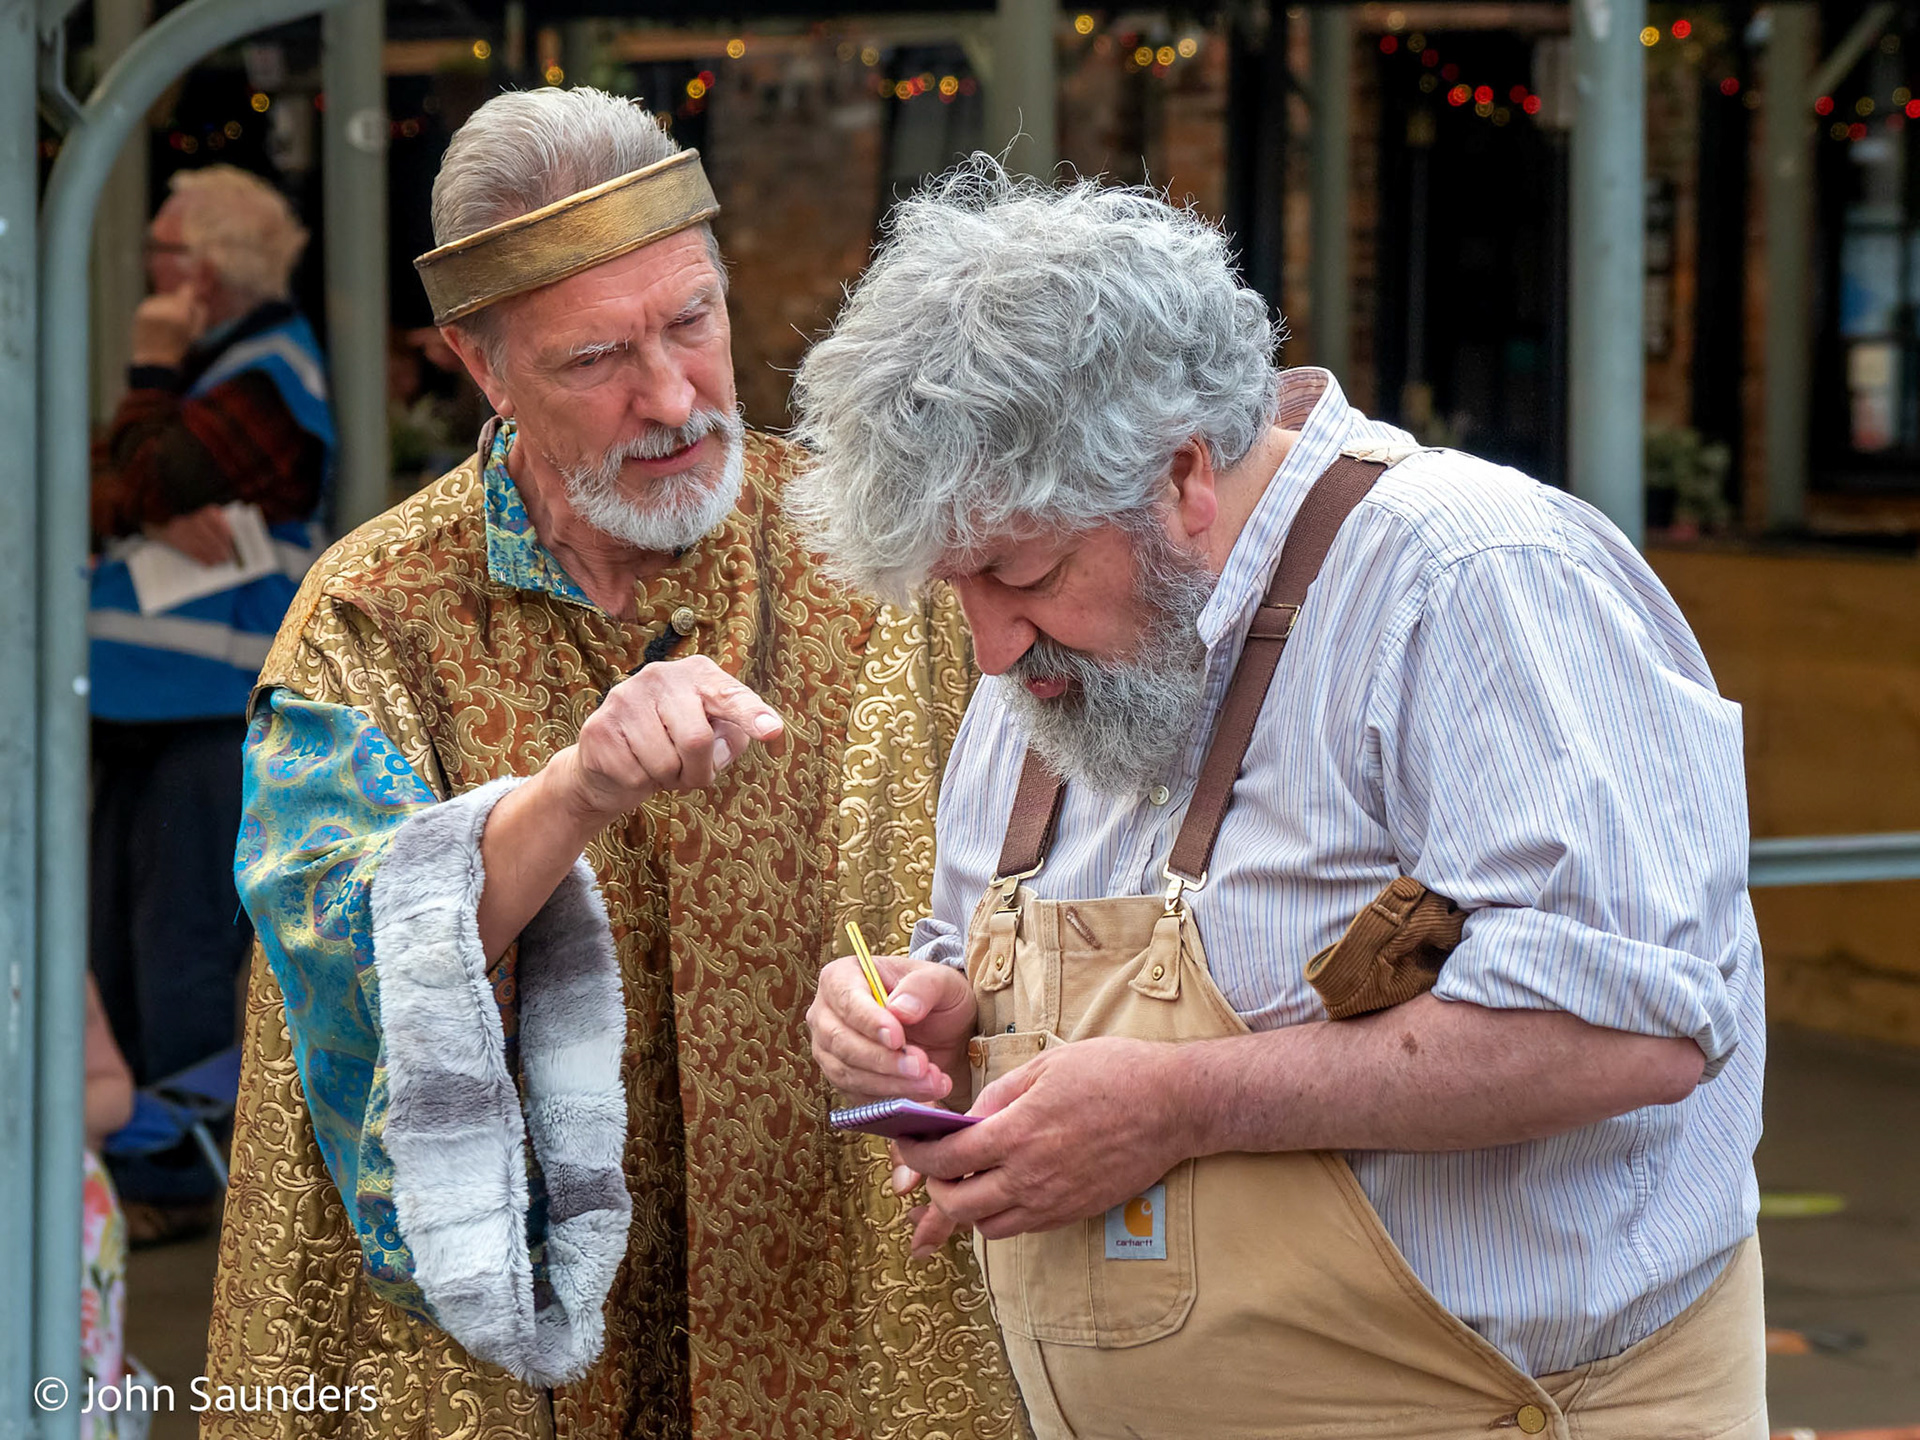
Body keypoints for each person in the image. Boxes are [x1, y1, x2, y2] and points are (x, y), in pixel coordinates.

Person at [793, 159, 1768, 1440]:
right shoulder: (1067, 647)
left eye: (1015, 571)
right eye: (952, 587)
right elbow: (996, 943)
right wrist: (932, 1011)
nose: (987, 648)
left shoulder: (1473, 575)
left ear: (1183, 476)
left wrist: (1180, 1101)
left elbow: (1627, 1031)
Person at [203, 90, 1021, 1440]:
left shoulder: (877, 559)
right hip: (513, 1361)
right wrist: (571, 793)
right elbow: (340, 960)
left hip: (839, 1298)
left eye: (692, 320)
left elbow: (1062, 863)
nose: (673, 395)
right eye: (596, 360)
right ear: (482, 366)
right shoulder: (369, 616)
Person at [87, 165, 331, 1235]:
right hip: (144, 705)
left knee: (179, 939)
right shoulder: (222, 369)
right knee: (117, 937)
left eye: (163, 252)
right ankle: (141, 1157)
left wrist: (144, 373)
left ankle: (177, 1180)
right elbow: (106, 486)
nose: (150, 272)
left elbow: (133, 479)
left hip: (206, 706)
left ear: (210, 267)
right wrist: (136, 488)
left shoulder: (269, 373)